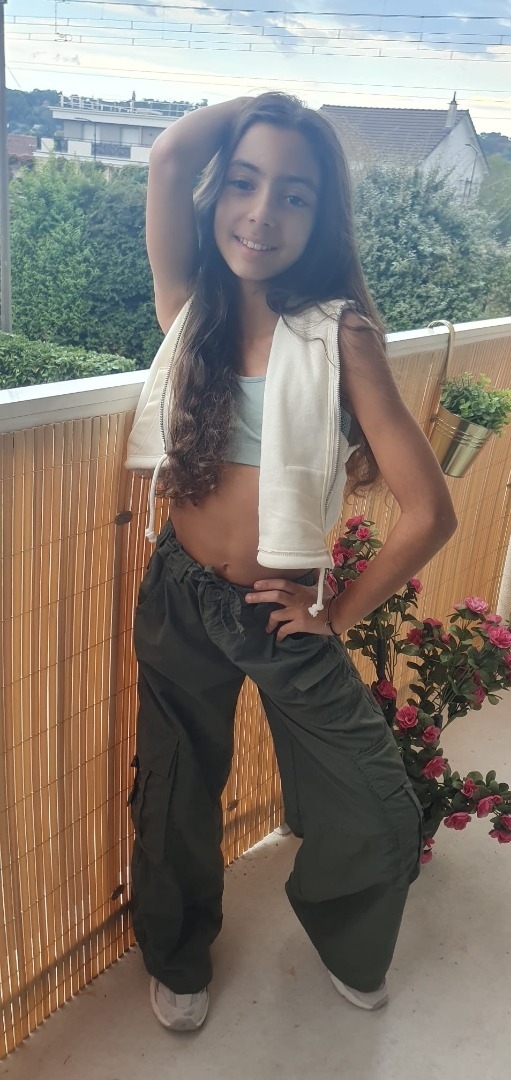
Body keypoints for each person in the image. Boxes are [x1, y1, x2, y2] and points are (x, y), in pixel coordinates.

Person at [128, 93, 457, 1032]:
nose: (261, 212)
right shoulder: (189, 308)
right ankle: (177, 956)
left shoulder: (337, 334)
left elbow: (429, 512)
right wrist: (268, 106)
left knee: (372, 798)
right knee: (175, 786)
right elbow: (166, 157)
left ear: (322, 218)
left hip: (279, 606)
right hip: (180, 590)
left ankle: (348, 938)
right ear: (218, 194)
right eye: (243, 182)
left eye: (294, 195)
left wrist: (334, 613)